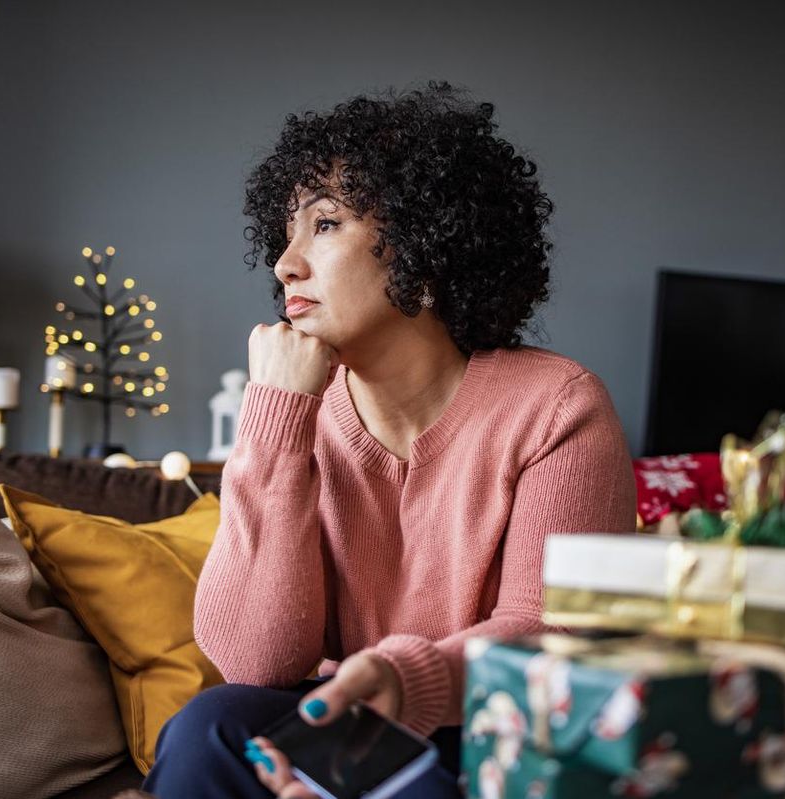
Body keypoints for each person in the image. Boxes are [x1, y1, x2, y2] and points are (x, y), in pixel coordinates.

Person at [143, 80, 637, 799]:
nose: (284, 263)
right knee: (209, 725)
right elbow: (257, 664)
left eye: (325, 224)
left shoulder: (557, 406)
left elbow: (550, 630)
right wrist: (277, 419)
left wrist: (405, 679)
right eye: (285, 232)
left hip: (494, 729)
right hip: (353, 721)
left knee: (415, 787)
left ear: (421, 245)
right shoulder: (300, 411)